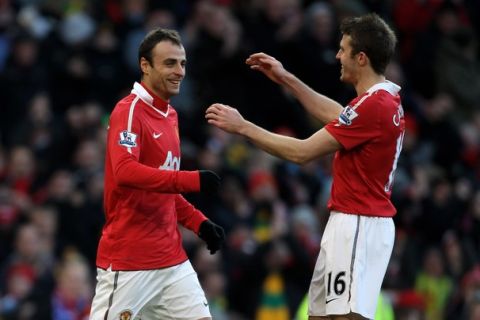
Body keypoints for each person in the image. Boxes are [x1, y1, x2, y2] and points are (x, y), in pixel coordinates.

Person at [206, 13, 404, 320]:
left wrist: (243, 127)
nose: (337, 55)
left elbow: (301, 152)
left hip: (359, 224)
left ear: (361, 58)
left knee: (346, 317)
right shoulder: (381, 101)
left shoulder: (373, 106)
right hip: (349, 222)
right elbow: (336, 114)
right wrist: (285, 77)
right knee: (319, 316)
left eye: (343, 49)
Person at [90, 28, 225, 320]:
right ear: (145, 65)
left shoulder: (170, 115)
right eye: (170, 63)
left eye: (183, 63)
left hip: (172, 260)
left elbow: (160, 186)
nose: (179, 71)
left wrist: (198, 222)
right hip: (129, 261)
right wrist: (192, 179)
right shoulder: (129, 112)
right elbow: (125, 172)